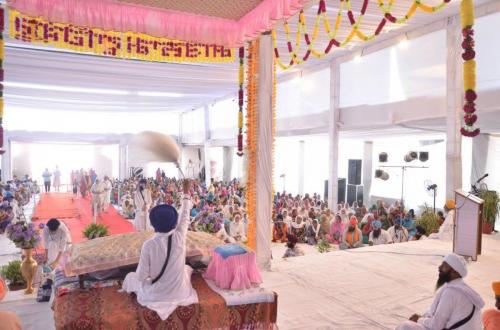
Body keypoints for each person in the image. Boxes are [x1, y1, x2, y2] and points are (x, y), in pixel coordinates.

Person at [121, 180, 198, 321]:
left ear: (153, 225)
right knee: (186, 269)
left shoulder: (149, 245)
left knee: (131, 278)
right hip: (180, 293)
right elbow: (185, 215)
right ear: (174, 223)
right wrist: (186, 192)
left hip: (156, 295)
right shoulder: (180, 236)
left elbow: (141, 277)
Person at [396, 253, 484, 330]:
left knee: (405, 327)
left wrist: (419, 319)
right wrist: (422, 317)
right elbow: (434, 311)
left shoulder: (451, 292)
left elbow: (436, 326)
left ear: (455, 273)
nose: (439, 268)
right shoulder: (460, 287)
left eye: (444, 266)